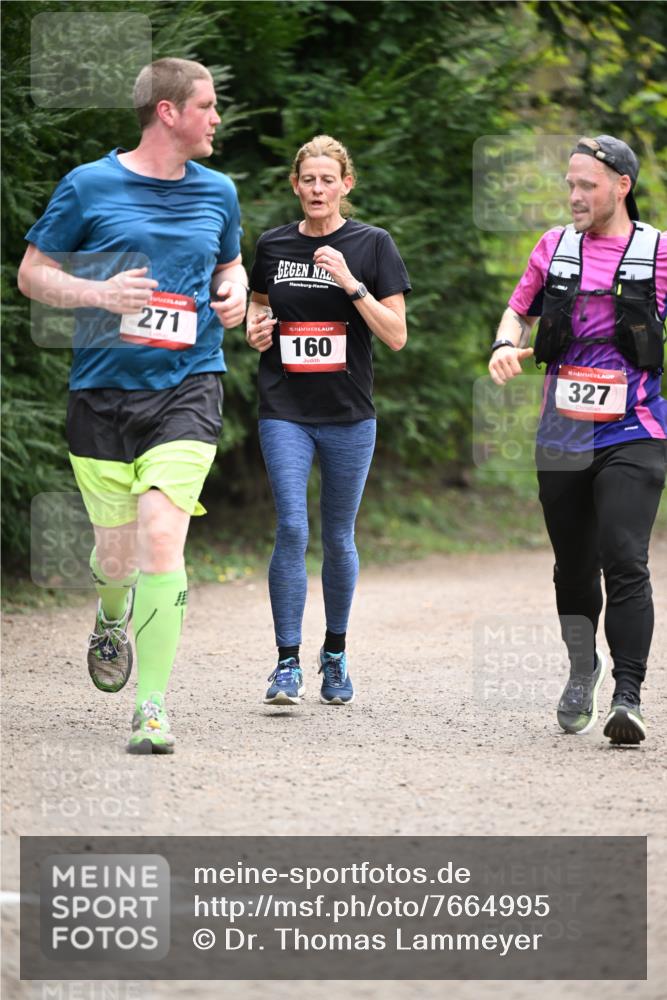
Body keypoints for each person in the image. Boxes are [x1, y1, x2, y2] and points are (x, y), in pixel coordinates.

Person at [18, 57, 247, 754]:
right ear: (168, 113)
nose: (216, 118)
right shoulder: (89, 185)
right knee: (116, 557)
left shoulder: (219, 191)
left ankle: (151, 705)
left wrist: (235, 291)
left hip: (189, 385)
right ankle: (110, 611)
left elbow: (228, 264)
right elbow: (32, 274)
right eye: (206, 106)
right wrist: (97, 295)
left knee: (158, 538)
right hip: (102, 391)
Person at [489, 134, 666, 745]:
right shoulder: (553, 248)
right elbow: (518, 311)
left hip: (635, 429)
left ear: (622, 186)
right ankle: (581, 667)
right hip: (563, 431)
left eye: (587, 184)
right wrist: (502, 345)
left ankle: (629, 694)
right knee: (572, 567)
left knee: (624, 554)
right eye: (570, 183)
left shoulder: (658, 253)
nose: (574, 195)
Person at [245, 135, 410, 707]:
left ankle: (334, 655)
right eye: (308, 180)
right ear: (296, 185)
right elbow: (258, 305)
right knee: (292, 527)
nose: (317, 189)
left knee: (339, 537)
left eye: (327, 180)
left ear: (346, 185)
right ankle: (286, 662)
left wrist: (351, 283)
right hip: (285, 408)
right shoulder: (272, 244)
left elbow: (396, 336)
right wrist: (255, 327)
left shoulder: (372, 245)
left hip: (347, 414)